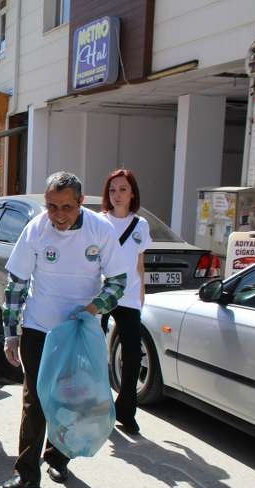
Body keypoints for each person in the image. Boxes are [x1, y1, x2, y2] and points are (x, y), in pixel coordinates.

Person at [0, 171, 128, 488]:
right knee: (35, 399)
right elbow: (16, 283)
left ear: (81, 203)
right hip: (39, 328)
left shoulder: (101, 231)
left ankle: (59, 456)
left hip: (78, 331)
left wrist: (94, 308)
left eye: (66, 207)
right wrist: (11, 333)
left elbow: (117, 283)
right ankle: (25, 472)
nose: (58, 215)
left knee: (71, 397)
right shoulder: (37, 230)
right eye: (52, 206)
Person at [100, 169, 152, 435]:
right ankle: (97, 407)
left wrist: (141, 294)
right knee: (95, 353)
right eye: (112, 190)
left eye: (122, 189)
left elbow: (139, 263)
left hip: (129, 297)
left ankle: (126, 411)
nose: (117, 195)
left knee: (132, 356)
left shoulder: (141, 225)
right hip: (99, 295)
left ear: (132, 193)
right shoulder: (99, 222)